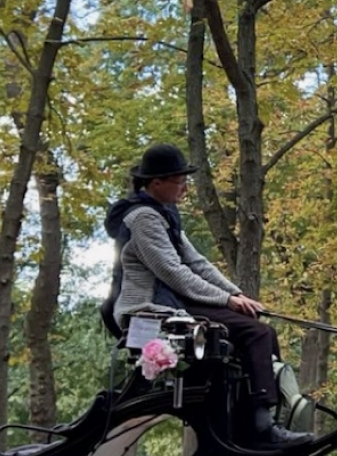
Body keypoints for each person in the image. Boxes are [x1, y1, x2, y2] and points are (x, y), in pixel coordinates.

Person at [103, 143, 313, 448]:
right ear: (155, 182)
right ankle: (260, 429)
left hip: (176, 305)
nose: (184, 189)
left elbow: (197, 262)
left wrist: (236, 294)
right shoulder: (143, 219)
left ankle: (253, 420)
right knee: (256, 333)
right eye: (179, 181)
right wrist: (227, 301)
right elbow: (173, 272)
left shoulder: (165, 214)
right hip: (150, 310)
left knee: (259, 329)